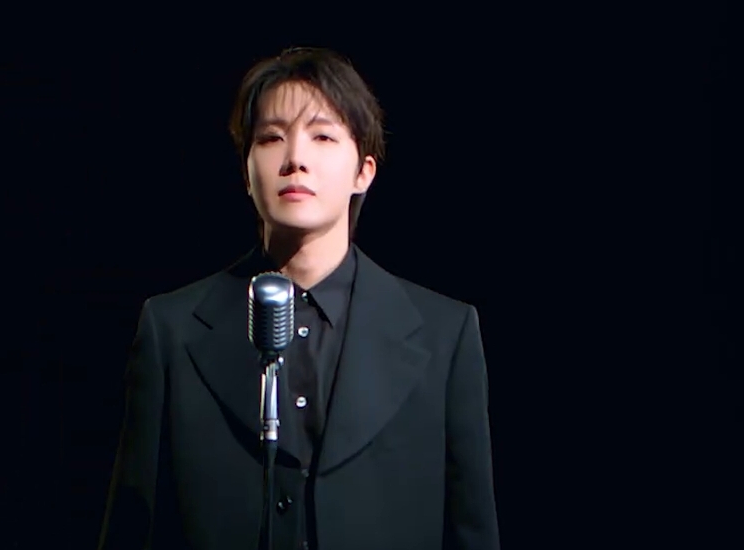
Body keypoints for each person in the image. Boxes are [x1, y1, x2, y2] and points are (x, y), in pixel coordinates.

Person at [99, 47, 500, 550]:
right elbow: (133, 527)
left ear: (364, 172)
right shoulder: (172, 329)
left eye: (323, 136)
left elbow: (471, 529)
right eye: (271, 138)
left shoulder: (444, 334)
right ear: (246, 171)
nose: (295, 159)